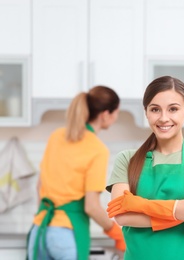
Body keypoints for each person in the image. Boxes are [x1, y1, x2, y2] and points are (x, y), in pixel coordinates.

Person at [106, 75, 184, 260]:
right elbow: (122, 216)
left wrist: (142, 205)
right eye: (155, 109)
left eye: (173, 109)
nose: (163, 118)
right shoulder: (127, 159)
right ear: (146, 112)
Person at [27, 86, 125, 260]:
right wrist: (117, 233)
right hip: (66, 236)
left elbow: (39, 186)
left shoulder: (56, 136)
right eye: (116, 112)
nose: (116, 117)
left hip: (39, 230)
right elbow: (92, 207)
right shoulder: (97, 149)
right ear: (105, 114)